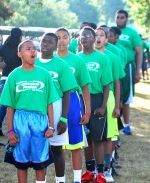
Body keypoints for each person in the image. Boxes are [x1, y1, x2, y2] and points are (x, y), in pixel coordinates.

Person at [0, 40, 59, 183]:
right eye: (28, 49)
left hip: (40, 120)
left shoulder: (44, 74)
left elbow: (50, 103)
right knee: (22, 162)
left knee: (40, 162)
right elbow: (9, 107)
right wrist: (10, 131)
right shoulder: (14, 75)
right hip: (20, 120)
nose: (33, 51)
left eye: (34, 48)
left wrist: (51, 126)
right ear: (20, 54)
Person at [35, 32, 78, 183]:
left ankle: (61, 180)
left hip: (56, 106)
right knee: (40, 147)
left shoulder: (61, 65)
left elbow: (67, 93)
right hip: (38, 109)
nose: (45, 44)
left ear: (55, 46)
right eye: (43, 41)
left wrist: (63, 118)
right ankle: (41, 180)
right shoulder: (33, 63)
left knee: (57, 148)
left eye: (50, 42)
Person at [55, 27, 92, 183]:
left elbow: (84, 87)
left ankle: (77, 179)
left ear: (70, 41)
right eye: (58, 37)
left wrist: (87, 111)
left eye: (65, 37)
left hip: (73, 104)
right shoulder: (48, 60)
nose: (61, 40)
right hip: (55, 104)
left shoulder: (77, 60)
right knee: (59, 146)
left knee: (75, 144)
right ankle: (60, 179)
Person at [78, 26, 113, 183]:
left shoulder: (102, 58)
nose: (84, 38)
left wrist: (103, 106)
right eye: (82, 36)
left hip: (97, 99)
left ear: (93, 39)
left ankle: (100, 172)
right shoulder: (77, 58)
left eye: (87, 35)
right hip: (80, 101)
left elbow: (107, 84)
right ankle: (89, 170)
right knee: (86, 138)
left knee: (97, 139)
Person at [95, 27, 125, 182]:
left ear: (107, 40)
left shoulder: (113, 58)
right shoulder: (84, 57)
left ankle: (107, 168)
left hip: (109, 98)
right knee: (93, 136)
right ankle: (95, 168)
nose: (98, 38)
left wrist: (117, 106)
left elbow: (117, 82)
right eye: (96, 35)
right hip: (91, 98)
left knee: (109, 136)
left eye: (102, 35)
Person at [115, 9, 143, 135]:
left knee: (126, 96)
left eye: (122, 17)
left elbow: (139, 52)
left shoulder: (132, 33)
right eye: (118, 17)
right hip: (113, 67)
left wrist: (138, 71)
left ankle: (126, 125)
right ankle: (115, 124)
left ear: (127, 19)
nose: (119, 19)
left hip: (128, 67)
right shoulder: (111, 31)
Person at [0, 27, 23, 136]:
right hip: (17, 78)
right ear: (20, 35)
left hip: (4, 77)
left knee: (5, 103)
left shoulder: (4, 47)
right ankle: (16, 128)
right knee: (17, 104)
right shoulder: (21, 48)